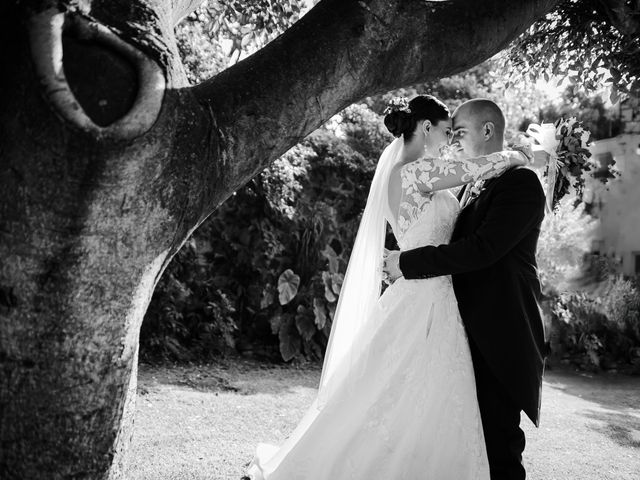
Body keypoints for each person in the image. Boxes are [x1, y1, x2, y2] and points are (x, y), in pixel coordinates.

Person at [244, 95, 532, 480]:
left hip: (434, 296)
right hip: (424, 296)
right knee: (399, 393)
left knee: (420, 400)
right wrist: (520, 156)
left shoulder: (417, 173)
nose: (449, 141)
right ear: (426, 128)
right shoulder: (412, 172)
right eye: (448, 132)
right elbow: (481, 165)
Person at [384, 98, 547, 480]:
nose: (454, 143)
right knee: (454, 437)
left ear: (487, 131)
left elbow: (483, 250)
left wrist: (406, 263)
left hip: (498, 330)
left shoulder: (521, 183)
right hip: (453, 328)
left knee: (498, 444)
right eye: (449, 133)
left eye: (459, 133)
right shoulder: (468, 184)